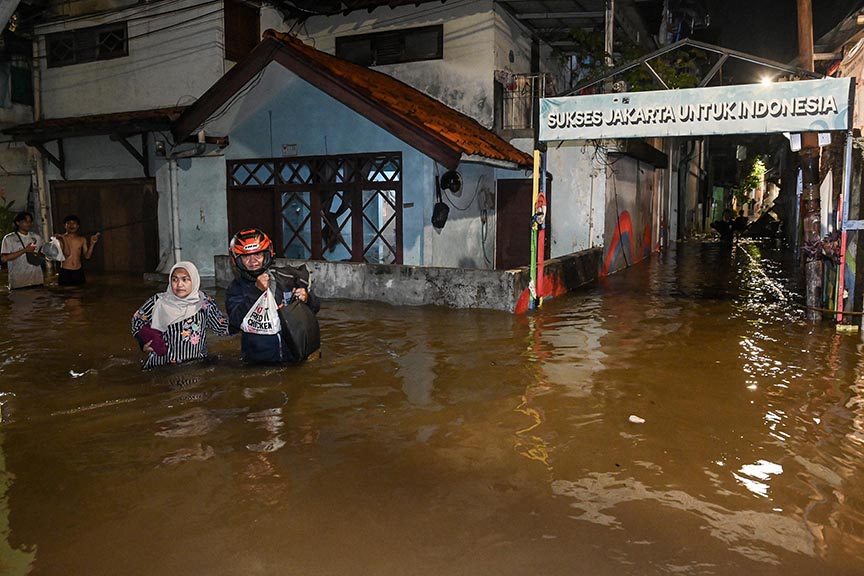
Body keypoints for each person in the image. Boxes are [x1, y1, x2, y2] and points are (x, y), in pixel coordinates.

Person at [225, 228, 320, 364]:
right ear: (237, 260)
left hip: (293, 357)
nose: (253, 261)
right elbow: (235, 322)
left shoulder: (287, 277)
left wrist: (307, 298)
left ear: (267, 254)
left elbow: (315, 308)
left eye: (258, 254)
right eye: (246, 257)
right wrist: (256, 291)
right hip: (257, 362)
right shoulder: (236, 288)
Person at [131, 261, 229, 370]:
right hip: (161, 366)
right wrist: (143, 343)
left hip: (194, 365)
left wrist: (241, 322)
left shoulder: (204, 303)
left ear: (194, 280)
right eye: (175, 279)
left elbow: (221, 327)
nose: (179, 284)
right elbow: (137, 320)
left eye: (185, 279)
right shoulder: (158, 301)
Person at [1, 211, 44, 289]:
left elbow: (42, 253)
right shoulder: (9, 238)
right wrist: (24, 250)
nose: (28, 224)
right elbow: (4, 258)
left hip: (37, 280)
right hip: (19, 281)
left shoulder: (36, 237)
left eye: (30, 222)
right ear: (18, 223)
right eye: (25, 221)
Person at [54, 214, 100, 286]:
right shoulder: (60, 239)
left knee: (80, 291)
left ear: (78, 226)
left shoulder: (82, 239)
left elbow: (87, 256)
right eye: (69, 223)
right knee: (65, 291)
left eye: (74, 223)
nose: (71, 225)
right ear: (65, 226)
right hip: (65, 271)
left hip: (78, 270)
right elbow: (67, 254)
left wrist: (92, 244)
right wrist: (64, 238)